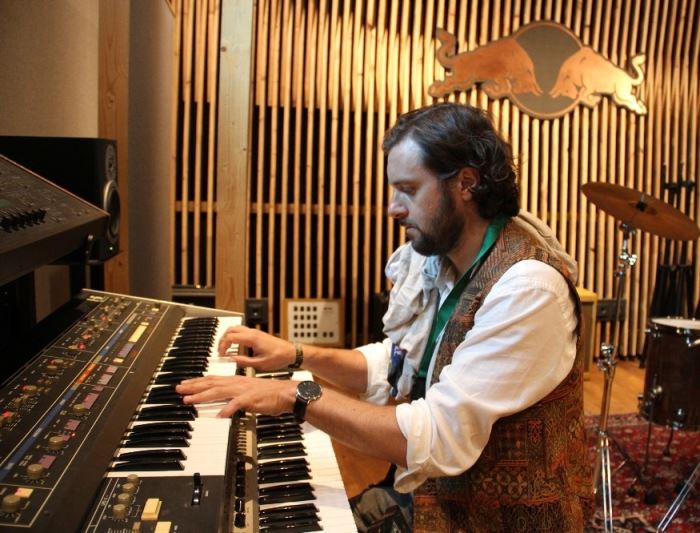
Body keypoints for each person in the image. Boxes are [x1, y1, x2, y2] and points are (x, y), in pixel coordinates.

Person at [177, 102, 593, 532]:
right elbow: (399, 361)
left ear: (466, 183)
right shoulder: (447, 260)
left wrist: (295, 395)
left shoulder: (527, 288)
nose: (393, 209)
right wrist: (297, 354)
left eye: (408, 190)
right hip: (425, 499)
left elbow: (438, 436)